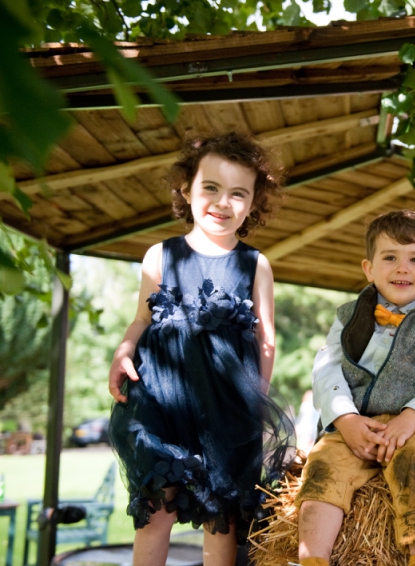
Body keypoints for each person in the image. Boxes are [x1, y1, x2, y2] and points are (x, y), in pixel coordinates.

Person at [108, 133, 294, 566]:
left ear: (252, 204)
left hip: (224, 409)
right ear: (187, 190)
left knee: (221, 513)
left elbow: (266, 337)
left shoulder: (255, 264)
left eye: (238, 193)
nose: (222, 201)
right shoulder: (160, 256)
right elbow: (141, 318)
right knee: (156, 507)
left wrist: (255, 398)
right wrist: (122, 351)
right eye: (210, 187)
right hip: (162, 399)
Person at [296, 210, 415, 566]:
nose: (402, 268)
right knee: (322, 469)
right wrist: (345, 420)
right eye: (390, 257)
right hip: (354, 424)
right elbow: (327, 371)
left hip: (411, 428)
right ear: (368, 269)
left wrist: (412, 418)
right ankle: (313, 558)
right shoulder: (347, 317)